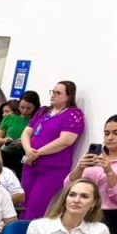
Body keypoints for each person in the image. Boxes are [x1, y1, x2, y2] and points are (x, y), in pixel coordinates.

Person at [19, 81, 85, 219]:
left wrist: (38, 152)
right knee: (23, 202)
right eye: (53, 92)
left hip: (52, 168)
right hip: (31, 163)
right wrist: (29, 150)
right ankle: (18, 229)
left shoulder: (73, 114)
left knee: (36, 205)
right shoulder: (43, 111)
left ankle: (29, 231)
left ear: (68, 96)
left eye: (58, 93)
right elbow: (26, 133)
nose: (53, 95)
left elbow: (66, 140)